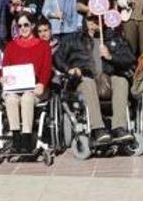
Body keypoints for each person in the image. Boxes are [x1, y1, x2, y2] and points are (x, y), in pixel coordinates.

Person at [56, 14, 136, 145]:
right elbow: (57, 57)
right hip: (84, 78)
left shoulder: (114, 37)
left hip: (107, 79)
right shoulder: (74, 39)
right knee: (88, 82)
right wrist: (69, 68)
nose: (94, 22)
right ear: (85, 20)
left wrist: (110, 57)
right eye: (90, 19)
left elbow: (130, 59)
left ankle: (119, 128)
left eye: (96, 18)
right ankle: (98, 129)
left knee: (121, 81)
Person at [1, 12, 53, 152]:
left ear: (33, 25)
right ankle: (16, 138)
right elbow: (5, 67)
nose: (23, 28)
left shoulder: (43, 45)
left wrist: (42, 83)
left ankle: (27, 138)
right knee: (11, 99)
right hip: (15, 88)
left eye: (26, 25)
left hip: (35, 88)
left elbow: (46, 68)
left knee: (27, 98)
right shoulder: (11, 46)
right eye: (19, 26)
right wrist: (3, 78)